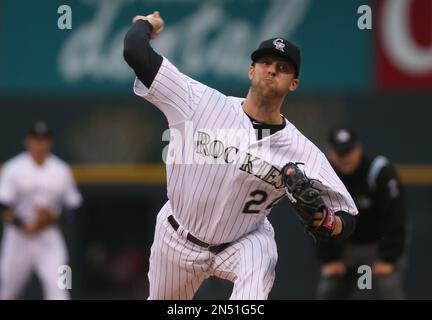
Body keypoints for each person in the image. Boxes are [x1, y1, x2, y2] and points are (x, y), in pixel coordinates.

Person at [123, 11, 358, 300]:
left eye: (283, 67)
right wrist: (146, 24)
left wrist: (328, 222)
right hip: (177, 237)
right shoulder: (198, 102)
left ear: (293, 84)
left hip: (243, 241)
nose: (272, 70)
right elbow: (134, 50)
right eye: (265, 62)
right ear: (251, 70)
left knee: (261, 256)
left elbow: (347, 214)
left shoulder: (302, 151)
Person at [316, 126, 408, 300]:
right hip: (346, 246)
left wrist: (389, 257)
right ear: (329, 152)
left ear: (358, 148)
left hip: (379, 244)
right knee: (329, 291)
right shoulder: (323, 175)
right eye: (339, 153)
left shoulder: (378, 170)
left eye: (349, 151)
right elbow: (317, 219)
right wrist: (329, 258)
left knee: (388, 287)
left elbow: (395, 215)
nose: (345, 158)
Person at [0, 121, 82, 300]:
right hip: (18, 238)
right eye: (36, 139)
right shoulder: (14, 168)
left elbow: (74, 207)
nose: (39, 143)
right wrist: (24, 224)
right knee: (7, 292)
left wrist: (53, 217)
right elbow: (3, 206)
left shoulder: (61, 170)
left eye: (43, 139)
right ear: (28, 141)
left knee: (60, 289)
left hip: (49, 238)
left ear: (49, 142)